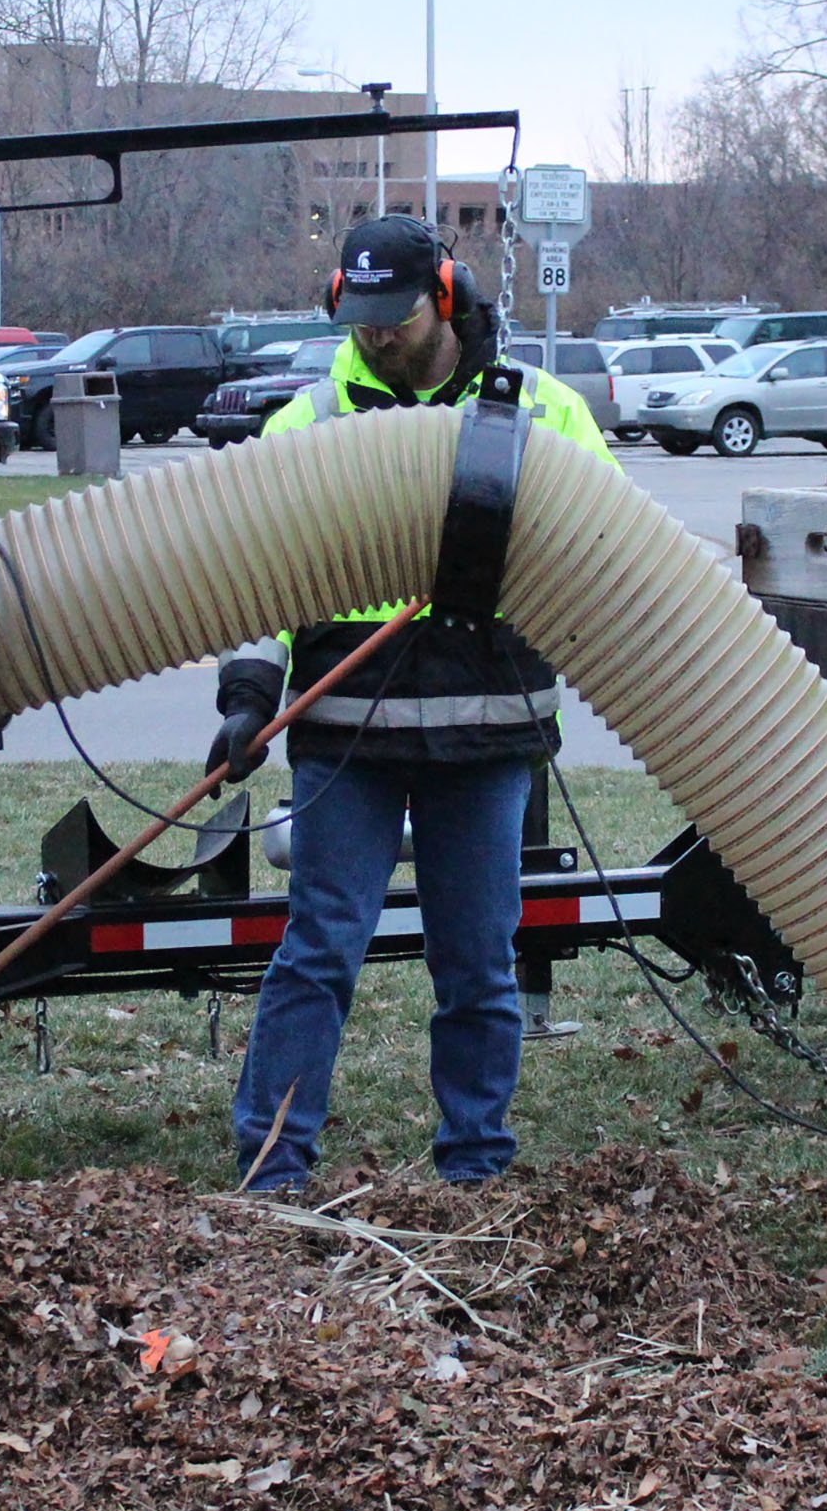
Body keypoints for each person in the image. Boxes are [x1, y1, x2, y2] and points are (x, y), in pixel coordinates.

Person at [209, 214, 612, 1192]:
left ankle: (475, 1164)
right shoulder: (308, 427)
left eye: (395, 316)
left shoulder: (541, 415)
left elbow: (609, 560)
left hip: (484, 734)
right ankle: (273, 1161)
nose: (378, 335)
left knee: (477, 961)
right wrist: (248, 692)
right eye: (363, 317)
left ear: (445, 295)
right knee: (319, 952)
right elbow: (250, 578)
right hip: (346, 736)